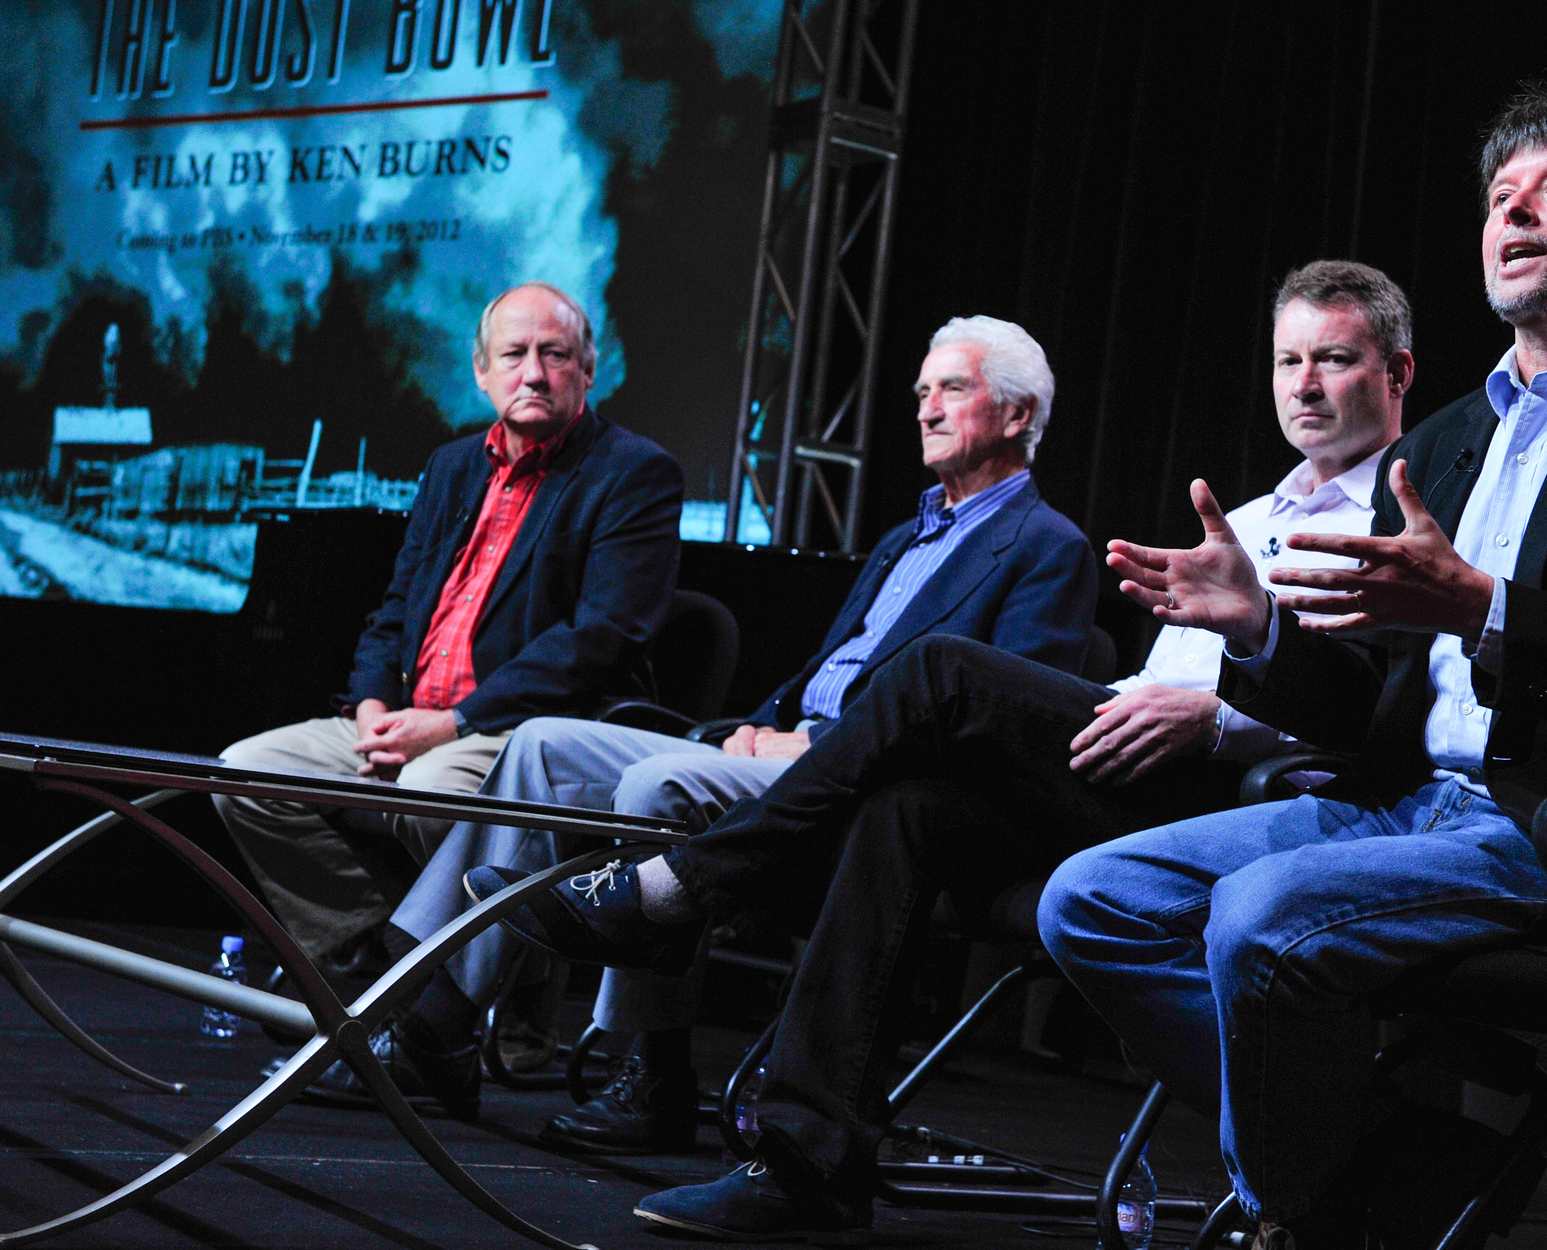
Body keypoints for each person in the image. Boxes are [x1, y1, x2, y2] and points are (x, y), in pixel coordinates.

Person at [473, 260, 1421, 1240]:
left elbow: (1388, 713)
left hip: (1237, 805)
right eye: (1287, 361)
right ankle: (806, 1164)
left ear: (1394, 373)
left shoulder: (1410, 518)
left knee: (940, 673)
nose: (1303, 385)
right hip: (1122, 766)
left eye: (1333, 361)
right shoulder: (1248, 522)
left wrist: (1217, 718)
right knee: (905, 808)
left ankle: (679, 887)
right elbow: (1142, 690)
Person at [1042, 82, 1547, 1249]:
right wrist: (1257, 629)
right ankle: (1377, 1177)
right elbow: (1368, 706)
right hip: (1402, 800)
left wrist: (1488, 607)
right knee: (1093, 900)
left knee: (1256, 913)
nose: (1513, 211)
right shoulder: (1450, 435)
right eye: (1497, 194)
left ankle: (1292, 1221)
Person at [368, 315, 1098, 1127]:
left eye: (951, 390)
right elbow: (830, 671)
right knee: (540, 743)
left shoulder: (1046, 547)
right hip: (770, 748)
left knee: (657, 783)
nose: (925, 410)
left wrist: (819, 742)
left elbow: (1002, 725)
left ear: (1018, 414)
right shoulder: (905, 536)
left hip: (855, 780)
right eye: (921, 392)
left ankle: (651, 1072)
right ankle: (443, 1012)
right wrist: (752, 726)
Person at [212, 282, 683, 1039]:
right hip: (407, 714)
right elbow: (395, 608)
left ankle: (457, 1002)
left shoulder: (634, 473)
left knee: (431, 787)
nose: (533, 372)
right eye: (514, 355)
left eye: (554, 355)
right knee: (244, 771)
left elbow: (602, 637)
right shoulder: (453, 466)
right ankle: (370, 958)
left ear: (588, 370)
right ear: (482, 374)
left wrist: (452, 723)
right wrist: (370, 705)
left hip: (519, 730)